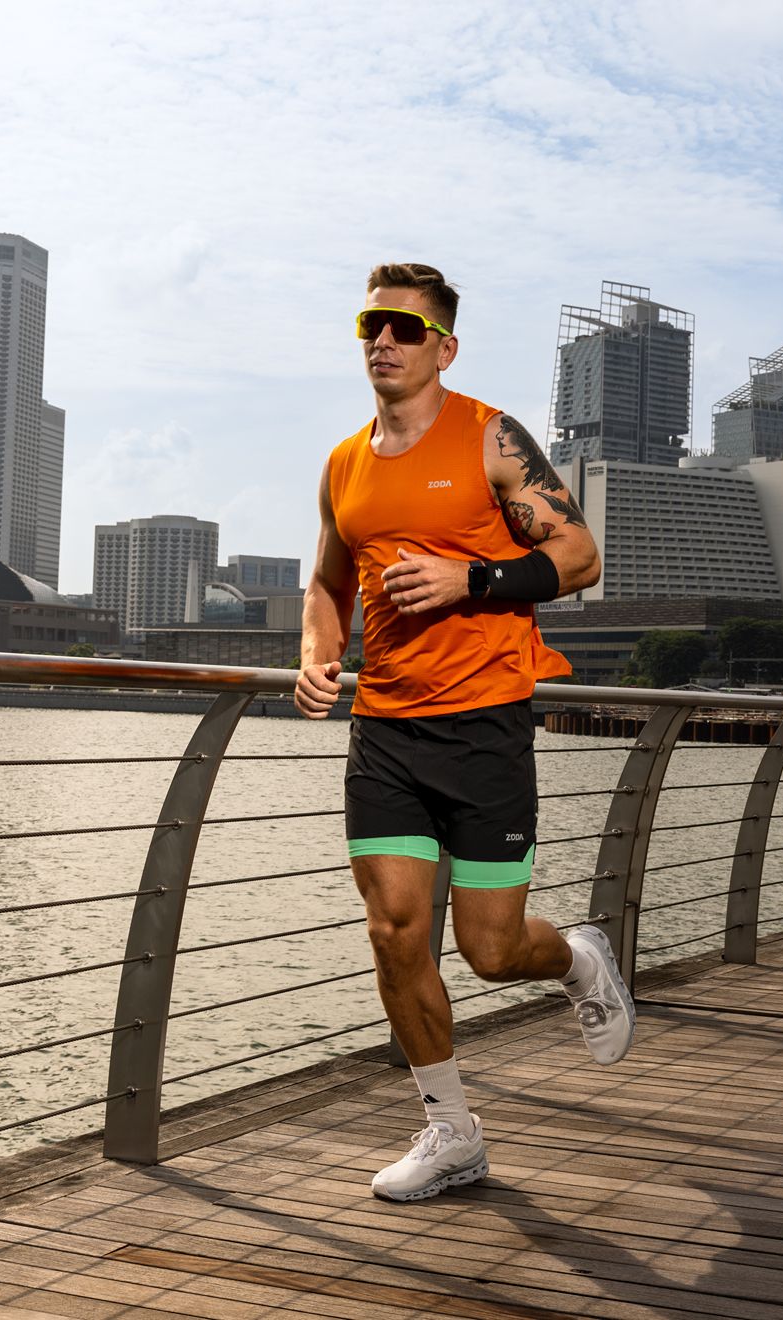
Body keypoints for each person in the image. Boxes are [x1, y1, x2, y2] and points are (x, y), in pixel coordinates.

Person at [294, 263, 635, 1203]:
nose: (385, 341)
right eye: (373, 324)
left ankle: (578, 957)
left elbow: (578, 556)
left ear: (444, 347)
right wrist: (319, 652)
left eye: (406, 329)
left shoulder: (491, 437)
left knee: (491, 950)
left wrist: (470, 580)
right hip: (388, 730)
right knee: (396, 933)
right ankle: (453, 1131)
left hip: (484, 724)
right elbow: (326, 584)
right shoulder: (344, 465)